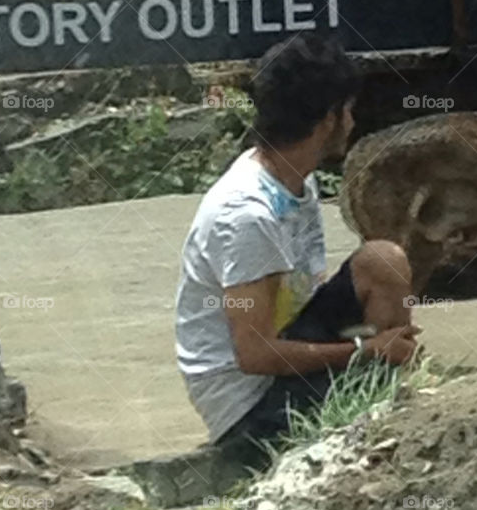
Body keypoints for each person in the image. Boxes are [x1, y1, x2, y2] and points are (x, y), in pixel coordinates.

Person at [175, 33, 420, 472]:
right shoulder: (248, 216)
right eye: (347, 110)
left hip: (285, 349)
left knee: (383, 262)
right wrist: (365, 351)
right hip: (251, 412)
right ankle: (384, 422)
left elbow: (303, 292)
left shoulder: (294, 182)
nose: (352, 120)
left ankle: (396, 400)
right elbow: (255, 354)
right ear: (329, 118)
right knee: (373, 360)